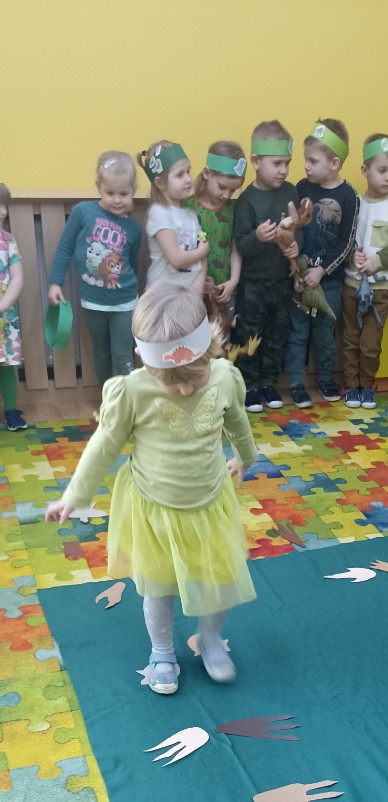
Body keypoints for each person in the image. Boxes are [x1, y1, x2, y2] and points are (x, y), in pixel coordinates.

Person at [45, 285, 258, 695]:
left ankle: (210, 639)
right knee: (158, 590)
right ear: (144, 360)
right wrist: (75, 496)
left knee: (220, 584)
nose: (185, 390)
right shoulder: (133, 391)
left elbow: (237, 423)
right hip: (155, 511)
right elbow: (103, 446)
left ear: (210, 347)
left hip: (209, 505)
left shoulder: (224, 377)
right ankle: (161, 652)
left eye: (194, 378)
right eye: (172, 383)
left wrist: (245, 458)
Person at [48, 151, 141, 389]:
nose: (117, 199)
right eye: (110, 193)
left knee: (123, 356)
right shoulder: (83, 211)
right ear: (99, 187)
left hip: (124, 304)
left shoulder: (133, 228)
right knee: (101, 353)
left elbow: (132, 265)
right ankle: (108, 400)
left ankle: (128, 403)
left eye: (124, 193)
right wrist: (55, 282)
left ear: (133, 191)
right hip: (93, 302)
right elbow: (66, 245)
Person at [285, 120, 358, 409]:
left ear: (334, 163)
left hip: (330, 283)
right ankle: (295, 383)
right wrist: (296, 269)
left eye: (313, 161)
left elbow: (346, 243)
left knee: (325, 335)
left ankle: (326, 379)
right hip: (300, 278)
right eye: (305, 159)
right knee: (297, 332)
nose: (306, 166)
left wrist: (322, 270)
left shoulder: (349, 196)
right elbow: (294, 231)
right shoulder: (302, 187)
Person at [343, 133, 388, 409]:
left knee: (370, 343)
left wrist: (378, 261)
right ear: (365, 170)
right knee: (350, 338)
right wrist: (352, 255)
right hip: (352, 283)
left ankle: (367, 385)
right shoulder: (355, 204)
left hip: (382, 289)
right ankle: (351, 385)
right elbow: (345, 240)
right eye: (382, 170)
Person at [233, 119, 300, 413]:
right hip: (252, 285)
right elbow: (241, 245)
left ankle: (269, 382)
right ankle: (249, 385)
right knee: (249, 336)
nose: (283, 170)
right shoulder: (246, 201)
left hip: (281, 281)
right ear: (256, 162)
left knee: (276, 334)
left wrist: (296, 247)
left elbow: (297, 230)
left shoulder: (291, 193)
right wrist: (258, 238)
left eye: (287, 163)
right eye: (277, 163)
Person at [187, 141, 246, 328]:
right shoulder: (187, 207)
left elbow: (235, 248)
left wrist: (233, 281)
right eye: (222, 187)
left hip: (224, 293)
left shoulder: (234, 210)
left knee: (221, 338)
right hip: (192, 292)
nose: (227, 195)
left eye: (233, 190)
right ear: (207, 174)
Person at [138, 140, 208, 296]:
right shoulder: (159, 213)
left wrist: (195, 292)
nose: (188, 179)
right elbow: (176, 259)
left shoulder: (191, 215)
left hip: (188, 296)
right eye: (180, 175)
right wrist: (203, 251)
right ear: (160, 183)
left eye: (188, 171)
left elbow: (201, 263)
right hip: (162, 298)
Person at [0, 183, 26, 430]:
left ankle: (11, 410)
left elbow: (17, 278)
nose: (3, 211)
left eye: (4, 205)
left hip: (5, 318)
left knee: (7, 366)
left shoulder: (8, 242)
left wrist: (3, 304)